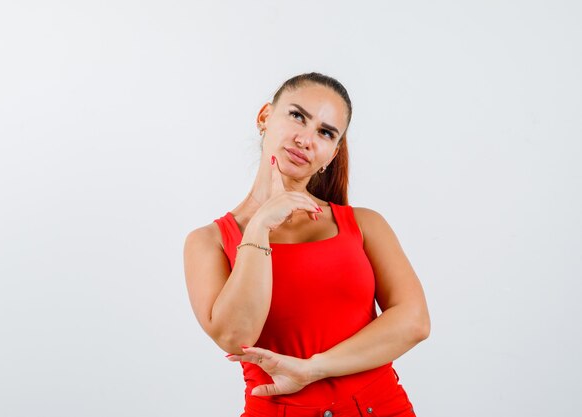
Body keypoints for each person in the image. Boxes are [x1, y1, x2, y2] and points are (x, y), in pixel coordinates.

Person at [183, 72, 430, 417]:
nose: (305, 139)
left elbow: (414, 321)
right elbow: (234, 336)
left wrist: (314, 368)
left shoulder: (364, 225)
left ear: (332, 153)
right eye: (297, 116)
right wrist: (258, 227)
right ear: (265, 117)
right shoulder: (207, 242)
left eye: (325, 133)